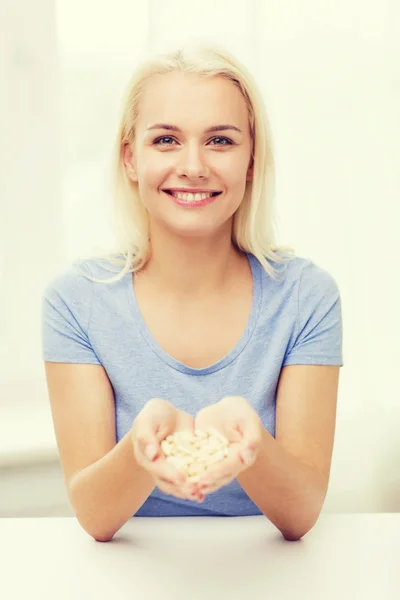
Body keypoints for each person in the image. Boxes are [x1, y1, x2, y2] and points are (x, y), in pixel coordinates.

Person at [42, 43, 343, 543]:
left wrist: (250, 443)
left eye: (221, 141)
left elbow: (301, 513)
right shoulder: (76, 302)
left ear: (251, 161)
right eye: (165, 140)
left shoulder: (306, 297)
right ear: (129, 158)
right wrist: (141, 449)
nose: (194, 165)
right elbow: (95, 517)